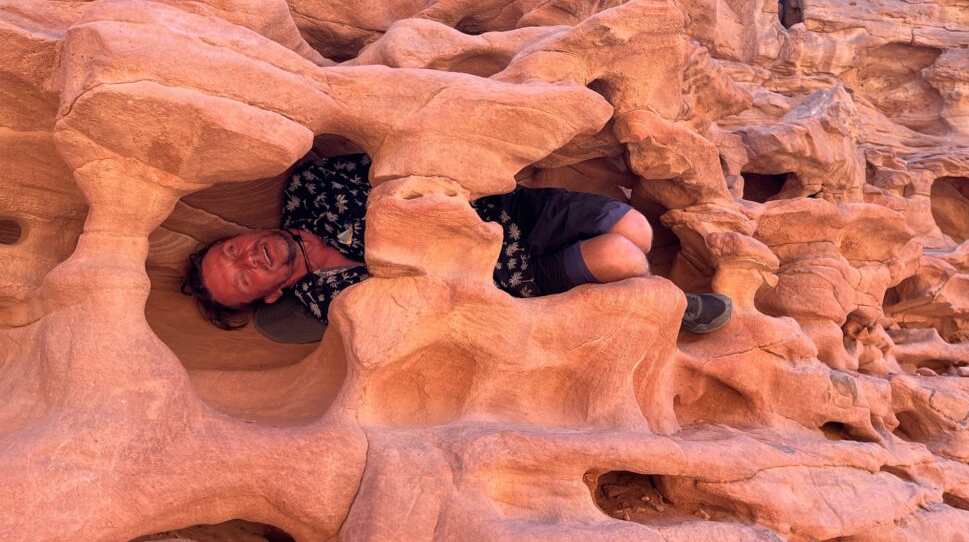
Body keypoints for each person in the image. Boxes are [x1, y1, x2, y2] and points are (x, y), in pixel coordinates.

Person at [182, 154, 732, 340]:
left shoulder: (309, 187)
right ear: (270, 295)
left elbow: (400, 163)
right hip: (514, 280)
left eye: (232, 251)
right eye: (244, 279)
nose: (248, 259)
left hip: (507, 212)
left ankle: (648, 289)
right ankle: (671, 307)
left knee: (637, 229)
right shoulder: (330, 306)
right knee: (622, 256)